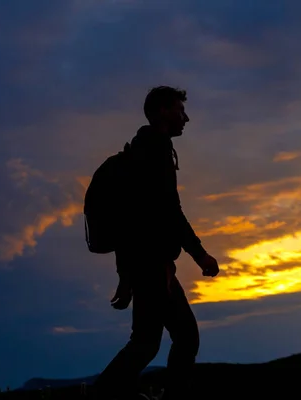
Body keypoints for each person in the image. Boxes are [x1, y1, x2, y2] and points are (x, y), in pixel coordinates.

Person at [93, 86, 220, 400]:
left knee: (160, 340)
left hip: (147, 265)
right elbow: (169, 212)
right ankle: (104, 394)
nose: (185, 118)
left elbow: (133, 219)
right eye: (180, 110)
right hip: (152, 265)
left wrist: (126, 274)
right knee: (162, 341)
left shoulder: (142, 150)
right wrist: (200, 255)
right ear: (163, 111)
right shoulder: (154, 151)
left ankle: (109, 394)